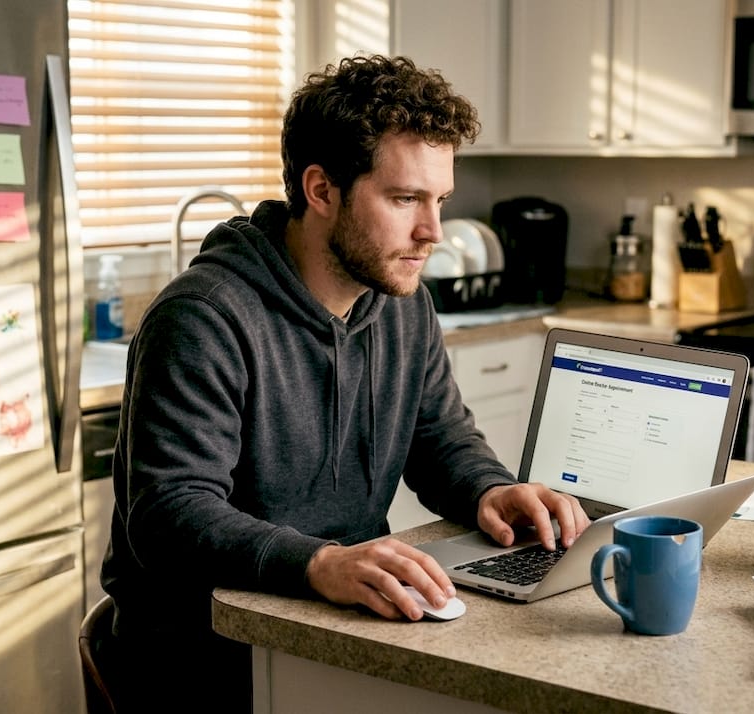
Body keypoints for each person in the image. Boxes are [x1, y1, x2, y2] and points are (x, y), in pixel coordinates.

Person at [100, 54, 590, 712]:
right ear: (322, 191)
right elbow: (169, 517)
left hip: (341, 627)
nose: (432, 232)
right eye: (404, 198)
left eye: (439, 200)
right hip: (203, 657)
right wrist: (321, 563)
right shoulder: (204, 318)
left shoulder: (400, 301)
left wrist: (490, 490)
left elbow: (439, 437)